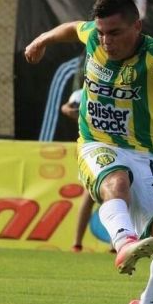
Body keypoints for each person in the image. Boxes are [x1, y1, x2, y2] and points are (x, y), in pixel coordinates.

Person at [24, 0, 153, 304]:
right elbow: (72, 28)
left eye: (115, 32)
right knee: (116, 181)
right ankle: (123, 243)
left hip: (146, 153)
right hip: (97, 144)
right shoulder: (93, 35)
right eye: (103, 33)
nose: (106, 40)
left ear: (137, 26)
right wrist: (42, 39)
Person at [39, 0, 153, 145]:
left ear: (142, 10)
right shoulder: (68, 73)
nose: (108, 40)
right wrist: (41, 40)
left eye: (130, 2)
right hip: (93, 153)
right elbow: (45, 144)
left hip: (139, 153)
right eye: (111, 1)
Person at [60, 88, 98, 252]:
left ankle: (117, 245)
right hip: (91, 146)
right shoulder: (82, 92)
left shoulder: (117, 88)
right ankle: (77, 243)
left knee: (117, 196)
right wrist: (73, 111)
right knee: (89, 194)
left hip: (117, 145)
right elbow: (66, 107)